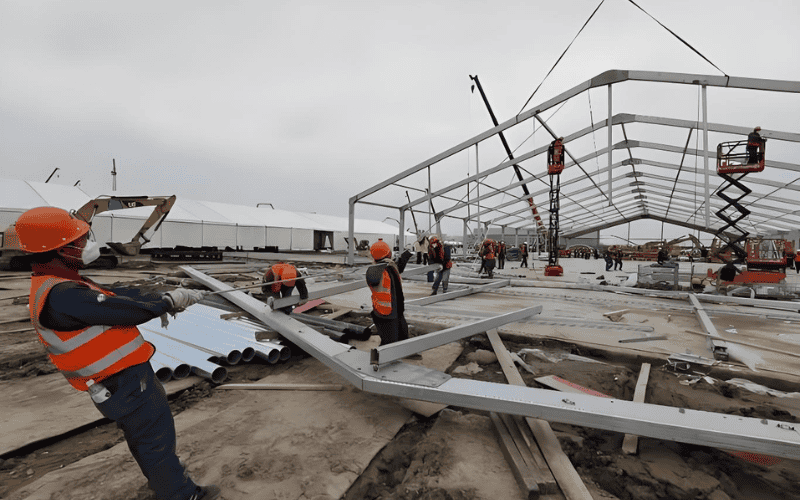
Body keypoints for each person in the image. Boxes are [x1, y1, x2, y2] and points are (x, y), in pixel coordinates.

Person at [15, 207, 219, 500]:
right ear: (60, 249)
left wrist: (161, 298)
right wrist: (168, 302)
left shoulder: (56, 283)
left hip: (117, 383)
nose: (85, 245)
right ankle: (180, 494)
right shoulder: (64, 294)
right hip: (124, 383)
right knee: (156, 440)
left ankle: (164, 484)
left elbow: (114, 296)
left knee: (145, 439)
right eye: (78, 241)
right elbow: (119, 310)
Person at [365, 239, 412, 346]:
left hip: (396, 311)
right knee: (389, 342)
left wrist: (405, 256)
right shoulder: (376, 270)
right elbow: (374, 276)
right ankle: (378, 359)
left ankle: (404, 352)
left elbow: (397, 268)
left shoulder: (388, 267)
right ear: (388, 254)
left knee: (402, 335)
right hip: (385, 314)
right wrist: (383, 261)